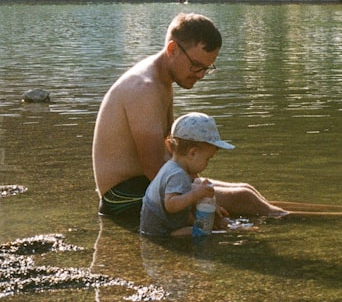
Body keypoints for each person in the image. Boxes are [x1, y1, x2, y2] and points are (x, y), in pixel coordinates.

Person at [93, 13, 286, 218]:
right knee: (241, 199)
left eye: (206, 68)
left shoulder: (162, 80)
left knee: (246, 190)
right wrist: (196, 203)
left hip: (146, 183)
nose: (201, 75)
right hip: (120, 197)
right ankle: (293, 221)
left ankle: (285, 215)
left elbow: (173, 151)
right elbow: (153, 165)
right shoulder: (144, 88)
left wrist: (199, 185)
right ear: (172, 50)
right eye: (196, 65)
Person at [139, 112, 234, 237]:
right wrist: (196, 194)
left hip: (163, 223)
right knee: (205, 233)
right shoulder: (177, 174)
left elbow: (186, 193)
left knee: (204, 220)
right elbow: (171, 205)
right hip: (160, 231)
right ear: (192, 153)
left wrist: (211, 203)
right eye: (207, 159)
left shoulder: (172, 166)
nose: (207, 164)